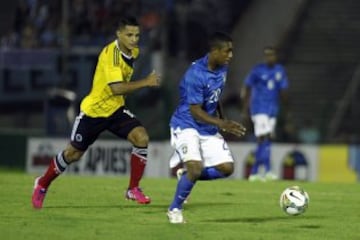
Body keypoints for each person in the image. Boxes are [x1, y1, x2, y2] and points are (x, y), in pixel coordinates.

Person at [32, 16, 161, 209]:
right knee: (73, 154)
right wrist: (146, 82)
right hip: (94, 111)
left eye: (137, 35)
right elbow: (116, 88)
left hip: (116, 110)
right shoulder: (111, 55)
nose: (134, 39)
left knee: (141, 138)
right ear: (118, 34)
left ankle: (133, 189)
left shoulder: (133, 51)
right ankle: (42, 183)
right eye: (129, 35)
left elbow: (118, 91)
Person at [166, 32, 246, 224]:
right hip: (186, 124)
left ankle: (185, 177)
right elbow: (195, 110)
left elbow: (214, 96)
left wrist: (222, 117)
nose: (231, 55)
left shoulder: (222, 68)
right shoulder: (195, 74)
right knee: (195, 167)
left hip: (206, 126)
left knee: (227, 168)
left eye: (232, 51)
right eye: (227, 51)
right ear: (214, 51)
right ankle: (174, 210)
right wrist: (221, 124)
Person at [242, 46, 289, 181]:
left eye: (272, 55)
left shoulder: (280, 71)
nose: (269, 57)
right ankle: (267, 170)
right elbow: (246, 87)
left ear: (276, 56)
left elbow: (284, 91)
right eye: (267, 55)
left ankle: (255, 172)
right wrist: (245, 109)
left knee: (265, 140)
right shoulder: (257, 70)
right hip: (259, 108)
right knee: (264, 137)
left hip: (273, 110)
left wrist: (286, 111)